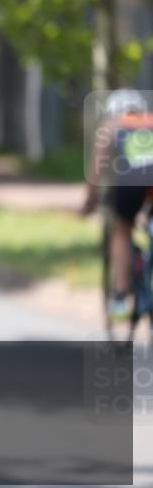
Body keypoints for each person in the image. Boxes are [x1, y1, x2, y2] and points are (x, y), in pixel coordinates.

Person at [81, 88, 153, 320]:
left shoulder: (112, 126)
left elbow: (96, 169)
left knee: (121, 229)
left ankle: (121, 295)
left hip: (129, 186)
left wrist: (89, 201)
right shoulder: (150, 122)